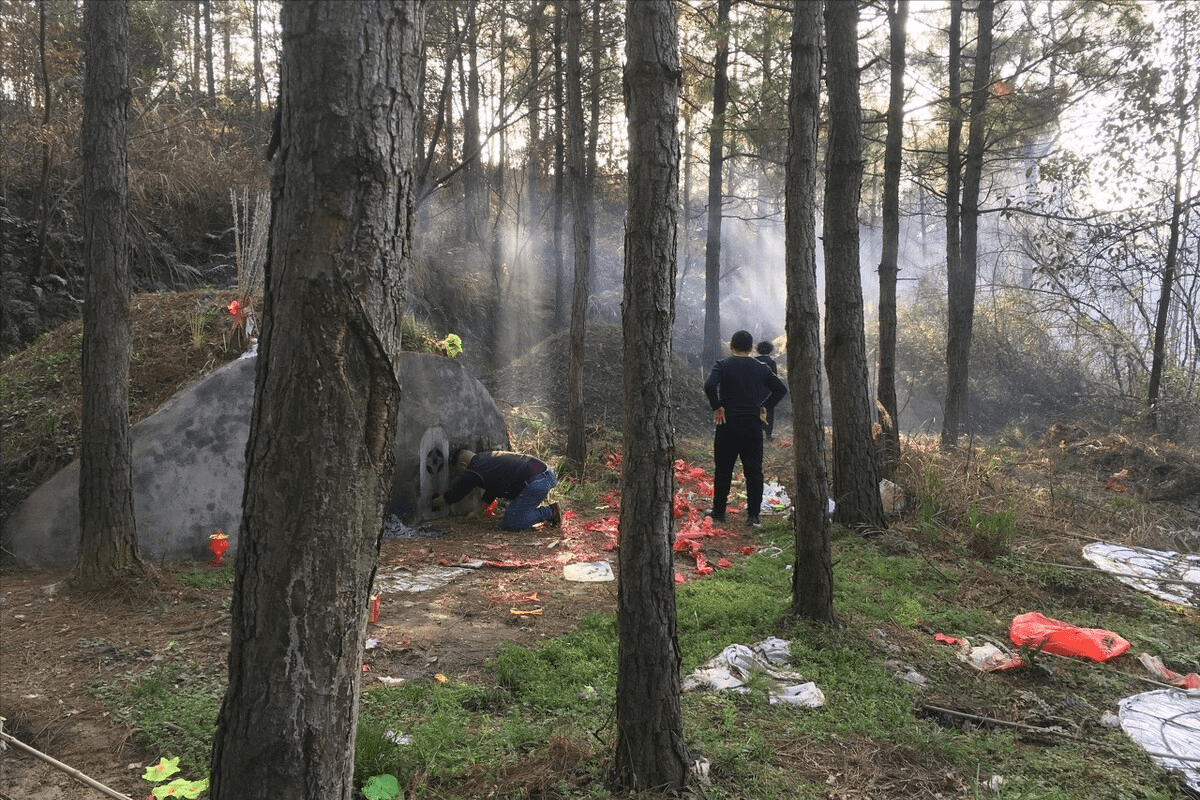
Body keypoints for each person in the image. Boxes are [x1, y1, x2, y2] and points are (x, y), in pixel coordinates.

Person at [704, 330, 787, 528]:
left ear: (731, 346)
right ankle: (753, 516)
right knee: (753, 471)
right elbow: (781, 389)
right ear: (751, 348)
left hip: (727, 424)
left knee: (723, 469)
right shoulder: (762, 368)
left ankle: (719, 511)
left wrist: (717, 406)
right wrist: (764, 407)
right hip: (752, 426)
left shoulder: (723, 365)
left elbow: (709, 385)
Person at [432, 449, 561, 531]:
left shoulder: (473, 470)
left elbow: (453, 495)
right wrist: (475, 513)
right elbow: (492, 491)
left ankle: (550, 512)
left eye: (459, 471)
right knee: (514, 517)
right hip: (545, 475)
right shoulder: (485, 460)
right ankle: (544, 511)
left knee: (511, 523)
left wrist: (430, 503)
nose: (460, 475)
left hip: (538, 480)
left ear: (463, 465)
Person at [754, 340, 779, 440]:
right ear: (770, 350)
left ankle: (756, 432)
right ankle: (768, 434)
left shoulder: (754, 360)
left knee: (755, 411)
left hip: (755, 390)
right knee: (769, 411)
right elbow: (775, 379)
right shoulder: (772, 362)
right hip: (768, 391)